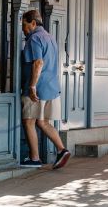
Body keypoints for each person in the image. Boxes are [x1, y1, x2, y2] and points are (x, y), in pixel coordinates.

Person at [20, 9, 71, 169]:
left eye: (24, 25)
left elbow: (38, 63)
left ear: (33, 23)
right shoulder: (50, 37)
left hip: (37, 89)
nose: (23, 29)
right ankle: (62, 150)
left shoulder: (34, 39)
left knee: (29, 122)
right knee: (43, 122)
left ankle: (34, 158)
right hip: (51, 87)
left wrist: (32, 86)